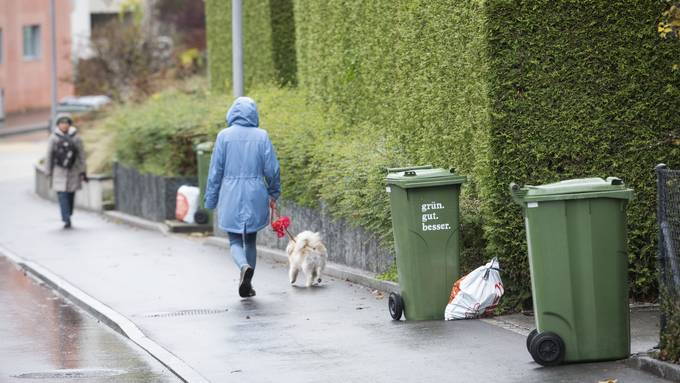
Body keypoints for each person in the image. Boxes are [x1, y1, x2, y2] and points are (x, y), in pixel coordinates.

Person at [204, 97, 281, 298]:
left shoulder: (224, 136)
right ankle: (248, 283)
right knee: (251, 240)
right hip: (256, 191)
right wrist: (273, 192)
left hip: (230, 192)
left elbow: (215, 171)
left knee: (235, 240)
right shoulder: (262, 136)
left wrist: (211, 199)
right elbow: (272, 169)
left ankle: (243, 266)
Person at [45, 114, 88, 229]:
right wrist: (48, 171)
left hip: (73, 171)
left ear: (70, 124)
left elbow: (81, 155)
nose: (64, 125)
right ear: (58, 124)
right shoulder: (53, 138)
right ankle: (66, 218)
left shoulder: (76, 138)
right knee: (62, 195)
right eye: (61, 123)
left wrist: (83, 171)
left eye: (66, 123)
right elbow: (49, 155)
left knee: (70, 195)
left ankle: (68, 214)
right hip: (58, 171)